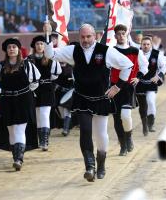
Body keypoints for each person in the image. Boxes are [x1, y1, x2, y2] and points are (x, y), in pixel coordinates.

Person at [44, 22, 133, 182]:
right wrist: (47, 35)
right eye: (82, 37)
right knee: (85, 130)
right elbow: (51, 54)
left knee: (100, 135)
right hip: (82, 98)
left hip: (101, 99)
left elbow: (128, 65)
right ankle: (89, 166)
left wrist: (117, 86)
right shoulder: (73, 50)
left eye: (88, 36)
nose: (85, 40)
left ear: (95, 36)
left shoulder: (106, 51)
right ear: (79, 37)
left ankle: (101, 163)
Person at [0, 38, 41, 171]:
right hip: (6, 101)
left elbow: (35, 82)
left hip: (23, 100)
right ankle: (16, 157)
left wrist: (26, 92)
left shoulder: (27, 65)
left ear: (18, 49)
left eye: (14, 47)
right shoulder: (0, 66)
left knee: (19, 129)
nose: (12, 49)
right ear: (6, 51)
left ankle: (19, 159)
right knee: (11, 130)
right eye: (9, 47)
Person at [112, 25, 148, 156]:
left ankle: (128, 137)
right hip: (114, 88)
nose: (121, 36)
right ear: (115, 36)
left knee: (125, 116)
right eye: (118, 34)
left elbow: (144, 66)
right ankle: (122, 145)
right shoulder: (111, 51)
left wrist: (138, 77)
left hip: (128, 88)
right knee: (116, 119)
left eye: (123, 33)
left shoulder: (135, 50)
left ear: (126, 35)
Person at [28, 35, 62, 151]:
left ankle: (44, 141)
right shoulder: (29, 59)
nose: (39, 46)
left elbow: (55, 76)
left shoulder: (51, 59)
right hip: (34, 91)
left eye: (42, 44)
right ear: (34, 46)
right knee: (38, 116)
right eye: (37, 44)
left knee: (44, 114)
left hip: (47, 90)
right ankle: (40, 139)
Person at [136, 36, 166, 136]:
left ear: (151, 45)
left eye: (148, 44)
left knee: (150, 101)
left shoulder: (157, 54)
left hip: (152, 83)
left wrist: (159, 75)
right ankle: (144, 124)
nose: (146, 46)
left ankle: (151, 124)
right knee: (142, 105)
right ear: (141, 45)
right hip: (140, 83)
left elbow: (165, 65)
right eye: (144, 44)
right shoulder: (136, 53)